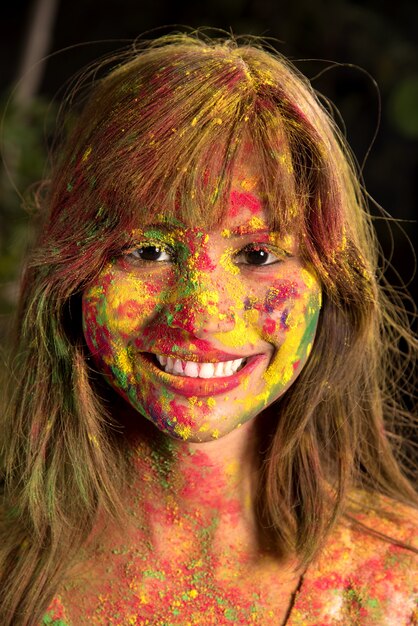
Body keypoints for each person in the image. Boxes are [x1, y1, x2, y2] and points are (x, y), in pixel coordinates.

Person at [0, 33, 416, 626]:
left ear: (333, 282)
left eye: (258, 255)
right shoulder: (11, 576)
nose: (200, 316)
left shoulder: (400, 582)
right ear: (71, 275)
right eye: (147, 250)